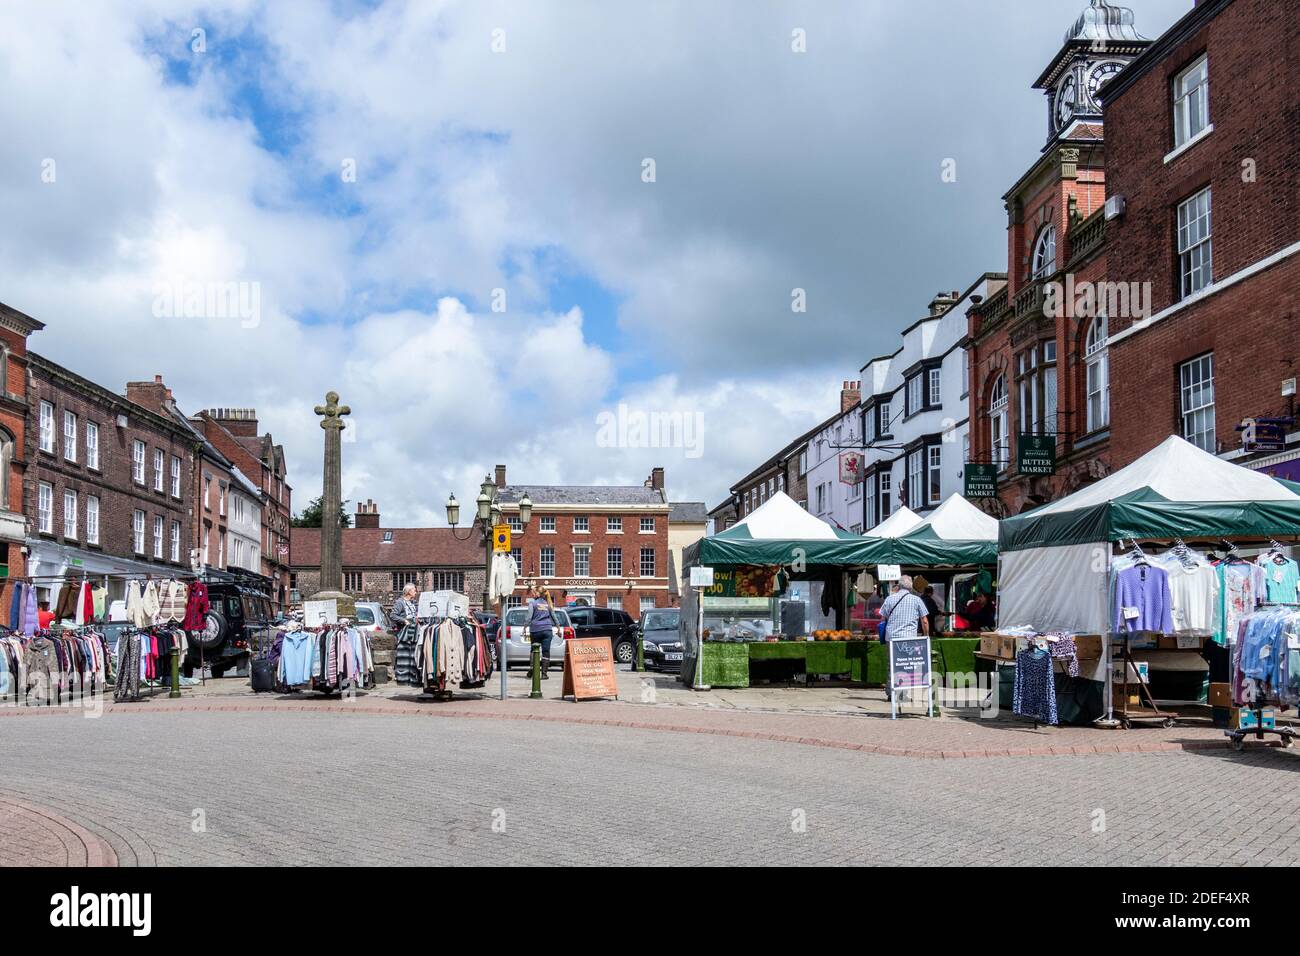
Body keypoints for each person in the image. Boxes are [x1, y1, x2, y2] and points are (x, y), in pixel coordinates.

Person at [878, 576, 930, 701]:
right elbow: (924, 621)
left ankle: (891, 693)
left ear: (899, 586)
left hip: (891, 638)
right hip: (909, 639)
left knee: (892, 665)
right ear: (910, 587)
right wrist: (926, 635)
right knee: (906, 666)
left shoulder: (890, 599)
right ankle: (902, 694)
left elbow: (882, 619)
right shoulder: (917, 600)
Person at [525, 585, 558, 680]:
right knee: (546, 651)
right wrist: (558, 628)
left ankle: (532, 669)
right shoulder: (548, 603)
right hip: (547, 630)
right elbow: (554, 616)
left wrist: (525, 627)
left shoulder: (533, 604)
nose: (533, 594)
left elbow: (528, 618)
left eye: (534, 593)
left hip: (535, 630)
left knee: (534, 650)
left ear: (538, 594)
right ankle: (544, 673)